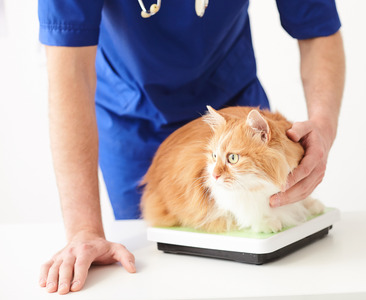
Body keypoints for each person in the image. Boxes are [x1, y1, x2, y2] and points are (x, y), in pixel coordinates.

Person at [37, 0, 345, 295]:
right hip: (129, 117)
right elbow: (69, 68)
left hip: (233, 109)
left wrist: (323, 127)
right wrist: (83, 232)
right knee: (150, 269)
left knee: (262, 272)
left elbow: (317, 28)